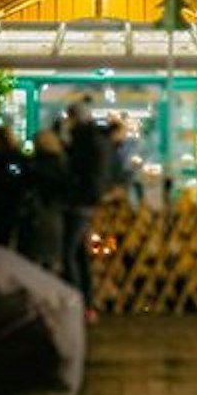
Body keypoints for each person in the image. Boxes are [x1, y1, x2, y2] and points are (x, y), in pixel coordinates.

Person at [62, 99, 112, 320]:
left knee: (69, 254)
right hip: (89, 201)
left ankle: (76, 303)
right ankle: (87, 304)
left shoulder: (81, 141)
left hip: (79, 201)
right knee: (80, 255)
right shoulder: (98, 139)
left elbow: (76, 171)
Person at [20, 127, 70, 271]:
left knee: (35, 258)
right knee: (50, 259)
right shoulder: (62, 162)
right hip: (54, 214)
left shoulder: (39, 165)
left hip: (40, 214)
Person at [0, 122, 27, 249]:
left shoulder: (7, 158)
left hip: (5, 203)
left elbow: (16, 176)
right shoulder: (12, 157)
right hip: (7, 202)